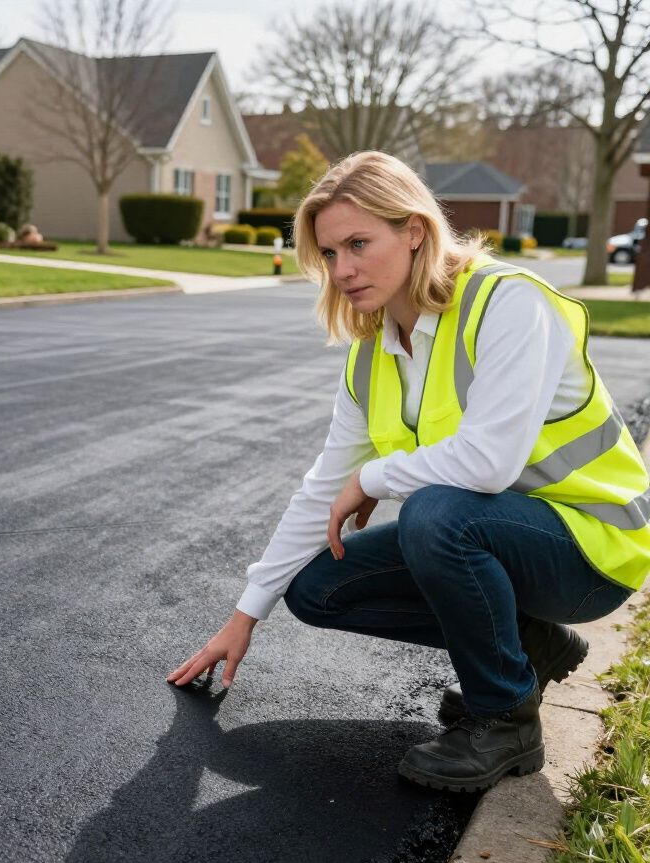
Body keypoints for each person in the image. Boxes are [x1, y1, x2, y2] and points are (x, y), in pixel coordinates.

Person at [168, 151, 650, 792]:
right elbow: (321, 490)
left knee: (435, 514)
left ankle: (504, 718)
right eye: (330, 253)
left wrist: (373, 479)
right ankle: (530, 646)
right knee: (316, 588)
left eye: (359, 243)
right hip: (497, 536)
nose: (343, 270)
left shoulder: (507, 304)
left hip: (593, 551)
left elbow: (487, 462)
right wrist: (245, 614)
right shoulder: (373, 353)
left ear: (415, 230)